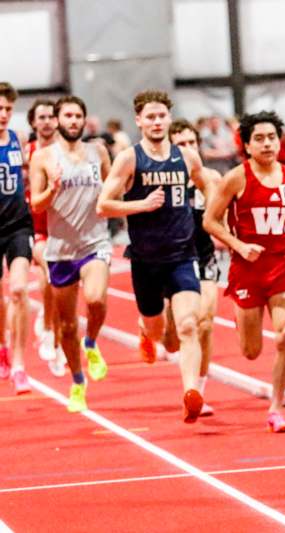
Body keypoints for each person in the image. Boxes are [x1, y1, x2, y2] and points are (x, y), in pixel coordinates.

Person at [97, 90, 208, 423]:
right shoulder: (129, 159)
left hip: (182, 254)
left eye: (162, 116)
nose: (157, 122)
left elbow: (209, 186)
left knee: (189, 325)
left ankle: (192, 392)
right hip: (145, 259)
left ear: (169, 119)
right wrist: (140, 205)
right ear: (139, 121)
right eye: (150, 117)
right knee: (159, 331)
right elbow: (104, 205)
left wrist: (217, 219)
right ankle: (146, 332)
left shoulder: (186, 157)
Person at [204, 111, 285, 432]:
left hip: (281, 265)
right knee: (251, 352)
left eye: (272, 138)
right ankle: (241, 317)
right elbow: (210, 221)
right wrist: (237, 246)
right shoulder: (236, 178)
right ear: (247, 145)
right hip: (246, 270)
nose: (267, 144)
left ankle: (276, 408)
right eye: (259, 139)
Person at [29, 95, 112, 412]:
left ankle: (91, 342)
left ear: (84, 120)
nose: (73, 121)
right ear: (59, 120)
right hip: (60, 249)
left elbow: (112, 185)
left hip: (94, 243)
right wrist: (52, 189)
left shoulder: (98, 151)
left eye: (78, 115)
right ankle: (78, 381)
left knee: (95, 300)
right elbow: (36, 204)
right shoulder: (43, 157)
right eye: (68, 116)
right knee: (65, 327)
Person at [164, 119, 222, 417]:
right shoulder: (162, 177)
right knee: (172, 336)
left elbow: (220, 216)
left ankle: (196, 390)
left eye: (191, 143)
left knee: (205, 323)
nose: (188, 149)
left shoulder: (210, 177)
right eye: (181, 145)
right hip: (169, 259)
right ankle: (154, 325)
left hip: (203, 255)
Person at [25, 98, 65, 373]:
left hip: (63, 226)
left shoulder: (67, 151)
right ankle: (51, 332)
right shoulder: (27, 152)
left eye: (51, 116)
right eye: (42, 117)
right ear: (33, 123)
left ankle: (51, 324)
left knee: (52, 285)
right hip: (35, 226)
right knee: (51, 277)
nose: (47, 121)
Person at [0, 82, 32, 394]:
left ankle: (20, 364)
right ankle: (2, 348)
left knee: (20, 289)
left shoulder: (17, 140)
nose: (3, 114)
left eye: (8, 109)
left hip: (18, 225)